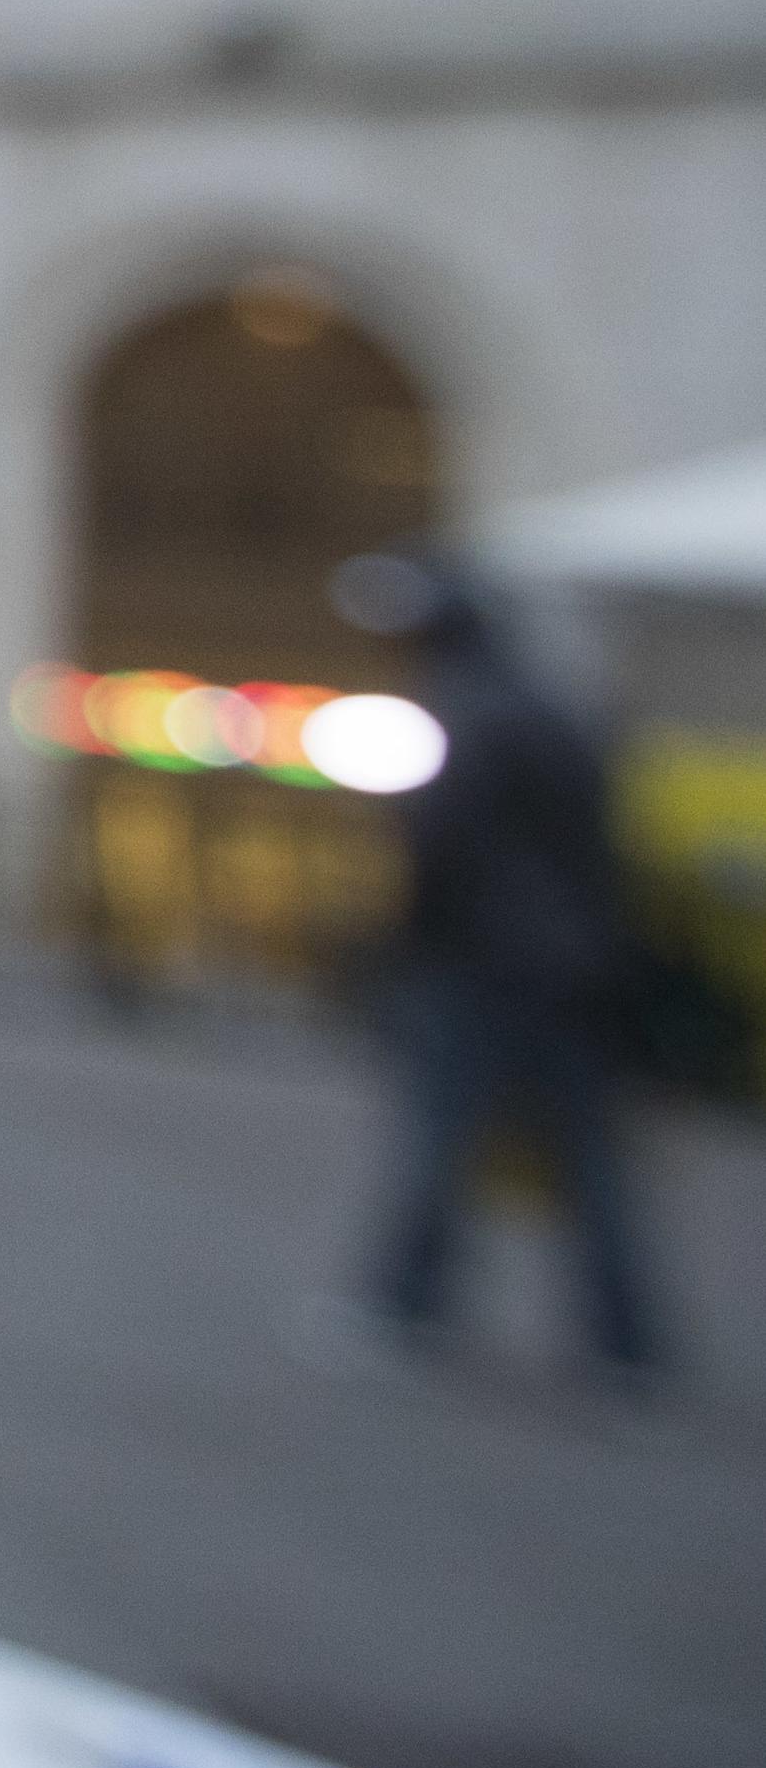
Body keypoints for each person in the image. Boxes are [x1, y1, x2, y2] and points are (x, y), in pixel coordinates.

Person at [346, 556, 664, 1385]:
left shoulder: (468, 709)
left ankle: (405, 1304)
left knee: (443, 1138)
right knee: (588, 1161)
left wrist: (402, 940)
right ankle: (625, 1343)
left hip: (481, 962)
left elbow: (441, 840)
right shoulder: (551, 707)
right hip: (573, 964)